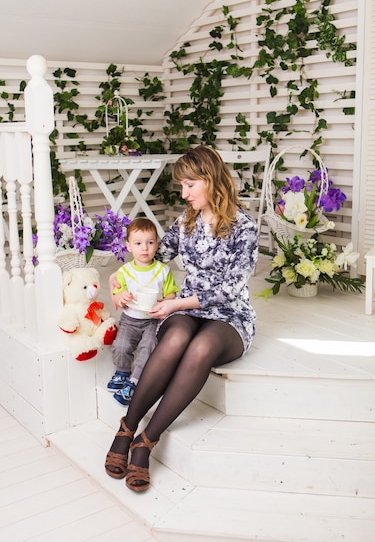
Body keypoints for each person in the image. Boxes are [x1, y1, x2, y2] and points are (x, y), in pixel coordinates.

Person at [104, 145, 258, 492]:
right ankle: (126, 428)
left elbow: (230, 287)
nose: (184, 194)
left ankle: (146, 441)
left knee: (201, 349)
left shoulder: (244, 227)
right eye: (182, 186)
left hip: (230, 316)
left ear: (211, 179)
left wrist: (176, 304)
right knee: (175, 339)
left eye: (190, 185)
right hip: (187, 309)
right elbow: (149, 254)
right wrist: (121, 277)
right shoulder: (185, 221)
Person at [107, 217, 179, 406]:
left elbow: (171, 293)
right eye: (138, 243)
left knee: (147, 348)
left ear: (157, 244)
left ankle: (135, 382)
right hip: (129, 319)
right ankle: (122, 373)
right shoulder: (125, 271)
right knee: (121, 346)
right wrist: (120, 297)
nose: (145, 248)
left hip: (152, 321)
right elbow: (116, 295)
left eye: (150, 243)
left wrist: (166, 301)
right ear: (129, 246)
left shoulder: (163, 271)